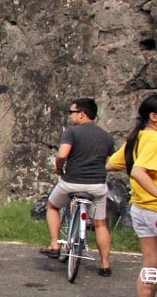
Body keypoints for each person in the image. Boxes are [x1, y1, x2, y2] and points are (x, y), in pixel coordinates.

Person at [107, 93, 157, 297]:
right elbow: (138, 172)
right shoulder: (155, 141)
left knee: (150, 266)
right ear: (154, 117)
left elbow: (112, 163)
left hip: (142, 211)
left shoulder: (137, 138)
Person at [41, 98, 115, 276]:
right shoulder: (106, 136)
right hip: (97, 185)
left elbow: (62, 154)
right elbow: (110, 159)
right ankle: (105, 265)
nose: (70, 116)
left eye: (71, 112)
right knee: (100, 223)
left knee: (52, 206)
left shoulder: (72, 132)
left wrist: (58, 167)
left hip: (71, 183)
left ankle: (54, 245)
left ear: (82, 114)